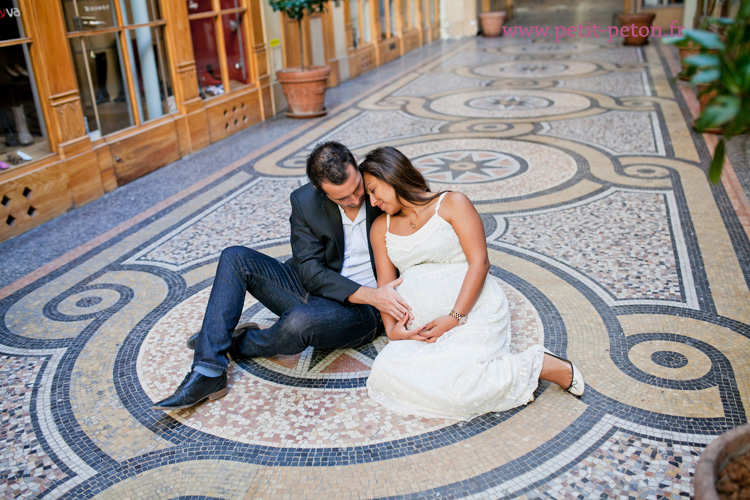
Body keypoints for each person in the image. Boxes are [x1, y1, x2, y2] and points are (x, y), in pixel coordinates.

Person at [153, 141, 413, 411]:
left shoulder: (380, 188)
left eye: (357, 188)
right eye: (342, 198)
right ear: (318, 189)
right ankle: (208, 372)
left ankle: (225, 340)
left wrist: (379, 297)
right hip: (316, 288)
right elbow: (310, 271)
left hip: (363, 309)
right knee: (234, 257)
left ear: (356, 163)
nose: (356, 200)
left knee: (299, 322)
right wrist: (373, 294)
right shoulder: (304, 201)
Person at [360, 146, 584, 421]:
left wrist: (454, 318)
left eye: (373, 190)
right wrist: (393, 330)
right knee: (385, 372)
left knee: (461, 389)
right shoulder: (380, 227)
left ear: (391, 175)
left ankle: (540, 365)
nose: (372, 202)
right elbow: (386, 286)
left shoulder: (452, 203)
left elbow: (480, 263)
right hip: (421, 329)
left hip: (471, 311)